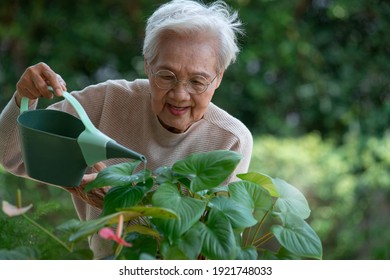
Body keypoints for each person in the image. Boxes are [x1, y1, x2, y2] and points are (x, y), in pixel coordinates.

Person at [0, 0, 253, 259]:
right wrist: (23, 97)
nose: (179, 95)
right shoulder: (107, 101)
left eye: (197, 81)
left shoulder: (230, 139)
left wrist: (123, 205)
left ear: (218, 77)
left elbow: (211, 254)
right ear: (147, 65)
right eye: (166, 75)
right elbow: (11, 154)